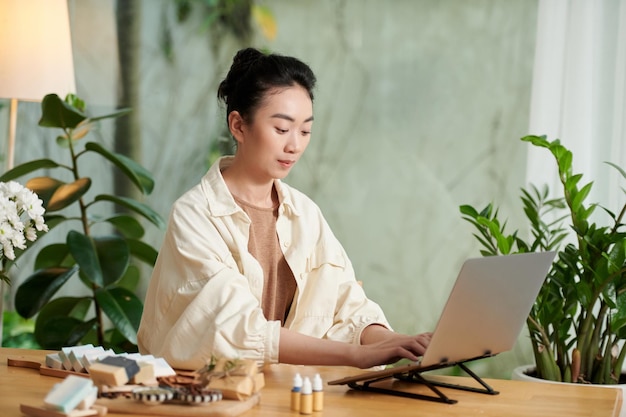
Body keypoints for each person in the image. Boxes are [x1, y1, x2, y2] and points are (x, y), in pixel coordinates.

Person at [137, 47, 431, 370]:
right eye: (281, 129)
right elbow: (239, 328)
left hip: (285, 396)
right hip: (213, 399)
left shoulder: (305, 214)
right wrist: (356, 356)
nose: (294, 145)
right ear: (238, 125)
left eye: (305, 130)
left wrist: (396, 342)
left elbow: (347, 303)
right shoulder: (194, 216)